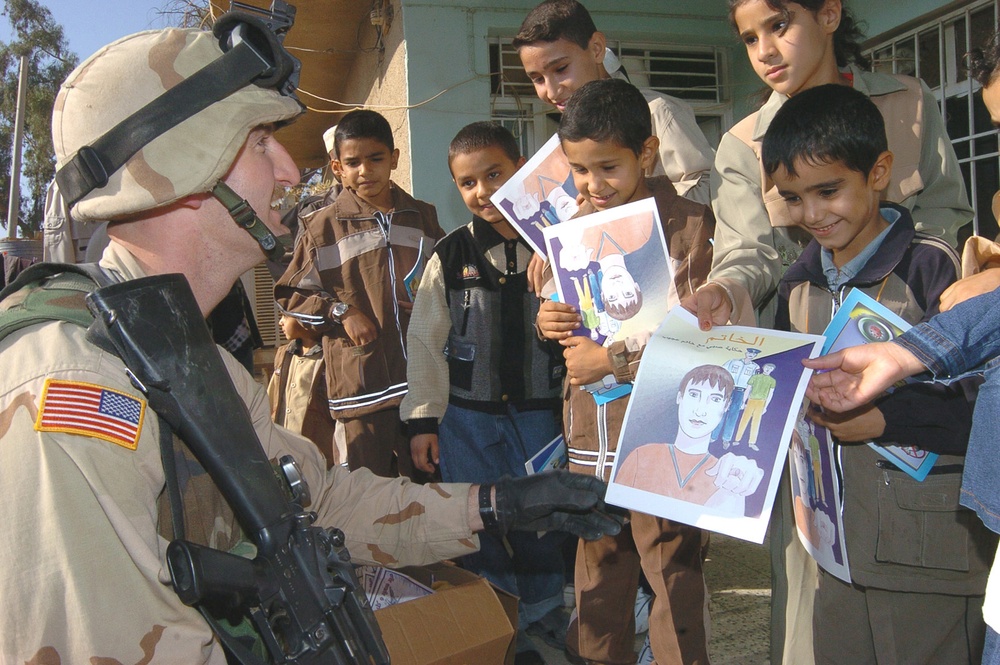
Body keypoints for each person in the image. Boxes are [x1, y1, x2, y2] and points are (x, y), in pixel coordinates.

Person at [0, 27, 624, 664]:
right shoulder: (75, 392)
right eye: (260, 141)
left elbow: (320, 501)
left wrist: (498, 503)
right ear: (183, 164)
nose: (289, 168)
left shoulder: (187, 362)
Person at [683, 3, 973, 661]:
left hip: (920, 367)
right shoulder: (742, 142)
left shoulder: (909, 100)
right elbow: (748, 253)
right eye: (749, 38)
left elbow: (949, 219)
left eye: (779, 24)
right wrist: (726, 290)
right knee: (813, 568)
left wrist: (921, 310)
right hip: (810, 362)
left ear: (829, 14)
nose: (765, 49)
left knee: (919, 590)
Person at [764, 83, 993, 663]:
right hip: (834, 548)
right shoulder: (797, 282)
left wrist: (886, 417)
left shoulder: (934, 269)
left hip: (930, 551)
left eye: (828, 190)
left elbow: (985, 401)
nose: (812, 214)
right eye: (793, 197)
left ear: (880, 172)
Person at [536, 77, 714, 665]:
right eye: (579, 171)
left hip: (665, 439)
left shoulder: (689, 227)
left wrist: (612, 359)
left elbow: (696, 336)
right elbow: (547, 297)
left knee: (673, 580)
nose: (592, 185)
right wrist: (550, 320)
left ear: (646, 153)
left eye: (607, 167)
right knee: (596, 581)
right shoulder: (566, 231)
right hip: (592, 435)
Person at [399, 121, 568, 663]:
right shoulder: (448, 258)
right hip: (465, 419)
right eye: (467, 183)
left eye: (496, 175)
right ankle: (498, 616)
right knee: (477, 517)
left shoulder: (561, 246)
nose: (483, 192)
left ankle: (545, 620)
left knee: (542, 518)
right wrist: (424, 422)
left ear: (521, 169)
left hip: (542, 417)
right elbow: (425, 342)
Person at [275, 109, 445, 480]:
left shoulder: (422, 217)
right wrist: (341, 311)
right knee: (370, 499)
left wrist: (430, 302)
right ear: (337, 168)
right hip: (361, 387)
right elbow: (290, 293)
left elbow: (445, 278)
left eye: (375, 159)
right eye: (353, 162)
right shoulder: (322, 227)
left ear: (394, 159)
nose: (365, 171)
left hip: (420, 385)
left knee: (429, 491)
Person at [513, 0, 715, 205]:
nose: (552, 91)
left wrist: (629, 205)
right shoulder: (569, 131)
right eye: (538, 79)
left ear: (597, 49)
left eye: (561, 69)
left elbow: (710, 190)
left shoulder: (659, 112)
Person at [614, 364, 764, 515]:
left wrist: (735, 494)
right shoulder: (642, 456)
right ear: (680, 397)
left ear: (726, 406)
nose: (700, 411)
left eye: (715, 399)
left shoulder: (728, 475)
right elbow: (616, 510)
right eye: (694, 394)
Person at [268, 313, 341, 467]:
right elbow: (271, 400)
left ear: (304, 319)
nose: (280, 322)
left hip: (318, 455)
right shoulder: (284, 354)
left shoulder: (330, 357)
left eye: (285, 316)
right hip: (284, 451)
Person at [734, 362, 776, 451]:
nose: (768, 369)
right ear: (763, 367)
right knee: (744, 420)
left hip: (761, 402)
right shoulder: (755, 377)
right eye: (767, 367)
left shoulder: (772, 381)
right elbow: (748, 389)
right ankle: (737, 439)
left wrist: (765, 406)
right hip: (751, 400)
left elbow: (770, 394)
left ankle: (752, 442)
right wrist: (743, 402)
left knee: (756, 422)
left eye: (771, 368)